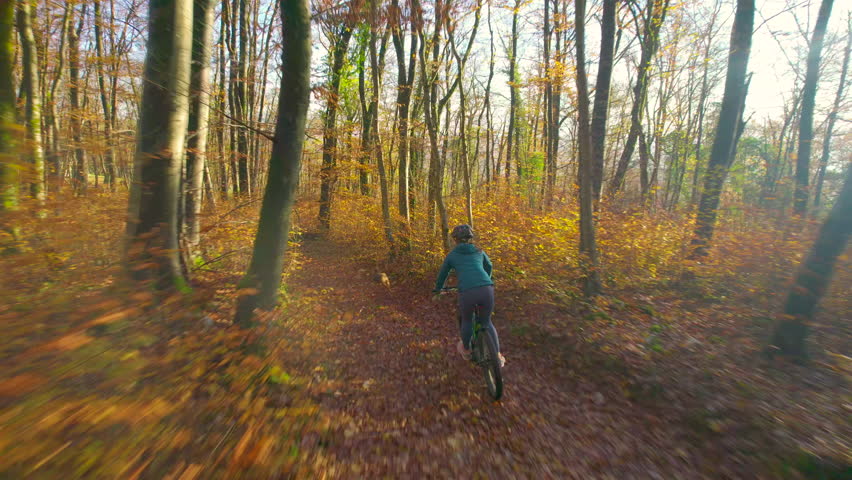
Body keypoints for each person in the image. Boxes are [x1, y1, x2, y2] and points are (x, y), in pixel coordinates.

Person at [433, 224, 505, 367]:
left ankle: (466, 350)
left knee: (467, 320)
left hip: (467, 291)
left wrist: (438, 290)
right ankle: (497, 356)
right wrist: (486, 278)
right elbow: (489, 266)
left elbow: (443, 274)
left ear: (455, 239)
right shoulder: (479, 251)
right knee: (486, 322)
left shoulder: (452, 255)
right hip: (486, 288)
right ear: (471, 238)